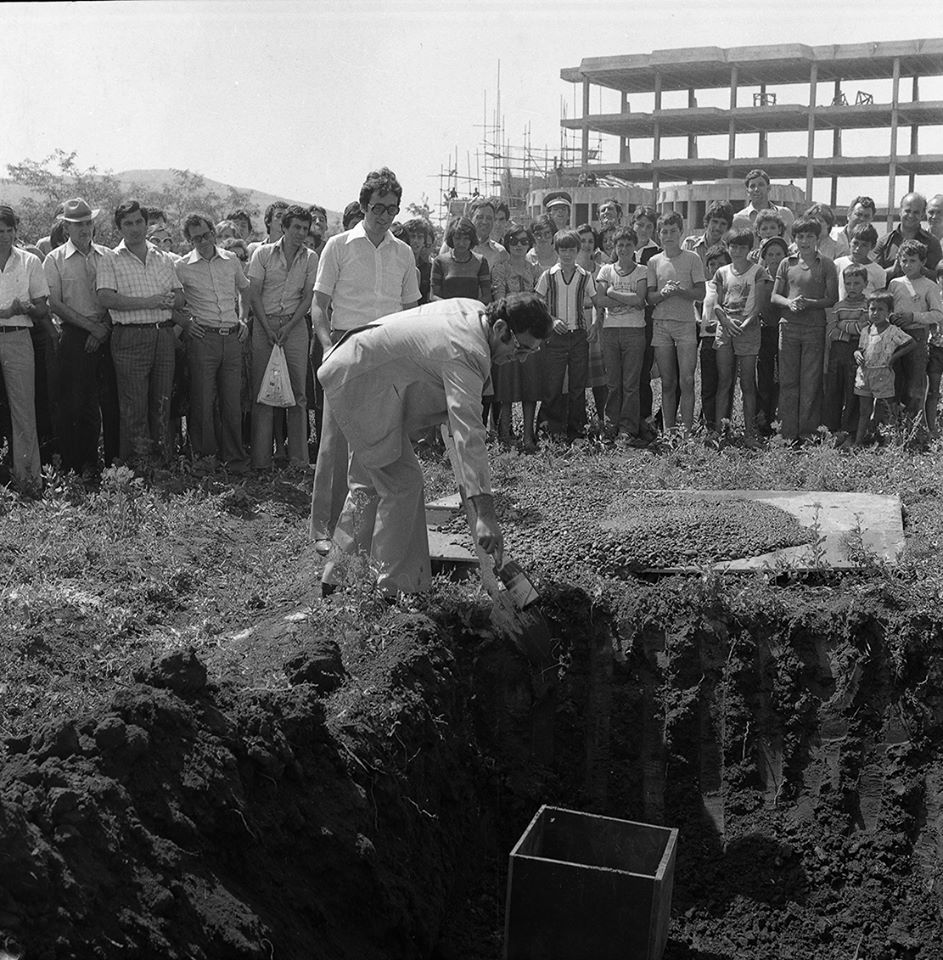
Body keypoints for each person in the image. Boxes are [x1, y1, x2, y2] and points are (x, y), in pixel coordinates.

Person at [318, 293, 552, 598]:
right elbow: (469, 435)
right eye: (520, 348)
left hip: (355, 367)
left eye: (530, 353)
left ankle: (339, 576)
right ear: (499, 328)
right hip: (362, 381)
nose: (520, 359)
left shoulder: (475, 311)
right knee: (403, 483)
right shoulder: (467, 351)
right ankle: (396, 591)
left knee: (369, 482)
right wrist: (486, 516)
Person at [310, 167, 420, 554]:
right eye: (378, 208)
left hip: (388, 347)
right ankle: (324, 529)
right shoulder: (338, 246)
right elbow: (319, 307)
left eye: (392, 209)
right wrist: (328, 347)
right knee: (336, 440)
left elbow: (411, 310)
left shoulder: (404, 253)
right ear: (363, 205)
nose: (385, 216)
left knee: (384, 439)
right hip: (345, 345)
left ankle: (369, 527)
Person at [97, 200, 184, 466]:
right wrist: (150, 301)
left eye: (138, 222)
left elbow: (179, 295)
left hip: (163, 335)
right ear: (119, 228)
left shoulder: (162, 257)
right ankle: (137, 467)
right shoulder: (110, 258)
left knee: (161, 402)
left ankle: (160, 464)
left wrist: (171, 301)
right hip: (130, 336)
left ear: (147, 223)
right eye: (128, 223)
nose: (134, 228)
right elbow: (106, 298)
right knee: (134, 405)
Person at [43, 198, 118, 476]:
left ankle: (111, 465)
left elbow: (115, 295)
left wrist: (103, 329)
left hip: (107, 330)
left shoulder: (108, 255)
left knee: (110, 402)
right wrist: (91, 328)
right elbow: (54, 303)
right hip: (74, 335)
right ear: (66, 228)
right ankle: (78, 464)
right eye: (78, 224)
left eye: (88, 222)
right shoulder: (55, 259)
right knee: (76, 403)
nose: (84, 228)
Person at [174, 213, 250, 473]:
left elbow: (245, 290)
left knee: (232, 400)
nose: (203, 241)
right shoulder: (181, 266)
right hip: (202, 338)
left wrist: (243, 319)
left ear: (213, 233)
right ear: (188, 240)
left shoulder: (230, 260)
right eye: (196, 238)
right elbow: (170, 301)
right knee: (203, 400)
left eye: (207, 235)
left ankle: (235, 458)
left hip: (231, 337)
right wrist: (185, 323)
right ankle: (206, 459)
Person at [246, 204, 318, 470]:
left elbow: (308, 297)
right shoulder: (262, 254)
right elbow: (254, 294)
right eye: (296, 227)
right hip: (264, 326)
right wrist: (267, 328)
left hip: (295, 326)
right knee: (263, 392)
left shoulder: (310, 258)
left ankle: (298, 460)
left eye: (305, 228)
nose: (300, 232)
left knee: (298, 393)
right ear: (284, 228)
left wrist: (288, 328)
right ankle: (261, 460)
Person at [770, 216, 839, 443]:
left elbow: (831, 299)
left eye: (810, 236)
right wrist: (789, 303)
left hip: (814, 329)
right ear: (794, 238)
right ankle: (787, 434)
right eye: (800, 236)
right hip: (788, 328)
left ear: (817, 238)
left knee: (810, 382)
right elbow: (775, 296)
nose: (805, 241)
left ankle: (807, 434)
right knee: (788, 381)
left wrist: (808, 302)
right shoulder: (786, 263)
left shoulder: (826, 264)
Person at [702, 228, 769, 447]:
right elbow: (717, 303)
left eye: (742, 247)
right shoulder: (721, 272)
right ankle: (722, 433)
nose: (738, 251)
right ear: (728, 247)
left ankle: (749, 432)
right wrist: (726, 322)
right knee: (724, 382)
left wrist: (745, 324)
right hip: (725, 328)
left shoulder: (758, 271)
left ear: (750, 249)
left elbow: (758, 305)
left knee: (748, 382)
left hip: (748, 330)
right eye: (734, 246)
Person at [0, 205, 49, 492]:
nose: (4, 237)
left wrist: (30, 308)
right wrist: (7, 310)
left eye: (9, 231)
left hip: (19, 337)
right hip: (8, 323)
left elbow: (43, 306)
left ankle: (29, 481)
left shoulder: (30, 261)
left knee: (23, 410)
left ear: (16, 231)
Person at [646, 211, 706, 433]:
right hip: (661, 325)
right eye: (664, 231)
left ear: (681, 232)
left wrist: (681, 291)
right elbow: (650, 297)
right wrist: (664, 293)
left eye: (673, 231)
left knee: (687, 380)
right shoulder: (654, 261)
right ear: (659, 234)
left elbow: (701, 292)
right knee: (668, 382)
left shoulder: (692, 258)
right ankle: (669, 431)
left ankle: (688, 431)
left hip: (686, 324)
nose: (668, 235)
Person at [535, 230, 596, 440]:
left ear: (578, 250)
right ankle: (549, 430)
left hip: (578, 336)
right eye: (563, 249)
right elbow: (537, 303)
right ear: (557, 250)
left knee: (578, 386)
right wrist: (551, 320)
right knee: (552, 385)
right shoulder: (548, 275)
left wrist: (596, 324)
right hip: (556, 338)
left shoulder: (585, 276)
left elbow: (598, 302)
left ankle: (577, 430)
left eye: (571, 249)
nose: (567, 254)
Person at [594, 225, 648, 444]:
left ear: (635, 246)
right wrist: (628, 297)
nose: (624, 249)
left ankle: (627, 428)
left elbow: (640, 300)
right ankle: (610, 425)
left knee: (631, 383)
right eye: (620, 245)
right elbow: (599, 300)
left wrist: (613, 292)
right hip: (610, 331)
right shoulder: (606, 270)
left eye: (628, 244)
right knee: (613, 382)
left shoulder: (642, 271)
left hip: (634, 332)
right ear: (614, 247)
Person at [491, 224, 543, 449]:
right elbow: (501, 301)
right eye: (514, 241)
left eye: (523, 241)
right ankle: (504, 435)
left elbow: (540, 301)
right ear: (507, 243)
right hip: (509, 332)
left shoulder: (536, 269)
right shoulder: (500, 268)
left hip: (530, 332)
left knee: (530, 386)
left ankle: (528, 435)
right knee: (506, 386)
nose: (519, 245)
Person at [887, 239, 943, 431]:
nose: (907, 265)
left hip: (917, 336)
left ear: (923, 262)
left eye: (912, 260)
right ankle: (893, 428)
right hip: (896, 336)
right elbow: (888, 308)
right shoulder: (895, 284)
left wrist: (914, 316)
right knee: (895, 380)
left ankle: (913, 429)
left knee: (915, 383)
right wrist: (892, 317)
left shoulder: (929, 285)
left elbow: (938, 314)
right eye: (904, 260)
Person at [852, 292, 916, 446]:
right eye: (872, 309)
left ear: (889, 312)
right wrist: (856, 354)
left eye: (881, 309)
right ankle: (858, 442)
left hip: (883, 374)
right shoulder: (866, 331)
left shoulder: (893, 330)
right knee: (864, 411)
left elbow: (912, 343)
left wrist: (893, 358)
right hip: (864, 374)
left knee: (889, 410)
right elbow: (861, 349)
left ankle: (891, 444)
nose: (876, 313)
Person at [824, 264, 870, 441]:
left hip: (857, 352)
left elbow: (864, 328)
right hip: (837, 353)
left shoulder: (867, 306)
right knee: (833, 390)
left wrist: (842, 326)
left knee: (854, 391)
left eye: (856, 283)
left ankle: (850, 430)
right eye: (848, 283)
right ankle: (830, 429)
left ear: (865, 283)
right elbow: (831, 332)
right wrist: (849, 332)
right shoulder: (838, 306)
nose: (852, 287)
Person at [755, 236, 788, 434]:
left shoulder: (789, 278)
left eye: (778, 254)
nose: (774, 258)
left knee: (782, 380)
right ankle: (762, 419)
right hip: (763, 334)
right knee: (764, 379)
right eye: (770, 254)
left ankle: (780, 419)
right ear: (764, 257)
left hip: (785, 333)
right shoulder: (760, 278)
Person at [698, 243, 732, 433]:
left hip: (726, 338)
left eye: (721, 263)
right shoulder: (704, 287)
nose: (716, 267)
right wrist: (699, 322)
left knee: (725, 383)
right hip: (707, 339)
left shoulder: (731, 286)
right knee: (708, 383)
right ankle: (709, 423)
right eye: (712, 264)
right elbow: (697, 309)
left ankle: (724, 424)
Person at [576, 223, 607, 427]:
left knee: (600, 376)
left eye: (590, 241)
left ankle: (603, 418)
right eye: (582, 241)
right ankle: (579, 419)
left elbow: (600, 300)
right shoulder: (571, 268)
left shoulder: (602, 270)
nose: (586, 245)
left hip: (598, 322)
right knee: (577, 375)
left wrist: (596, 322)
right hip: (576, 321)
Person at [875, 193, 943, 277]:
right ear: (900, 212)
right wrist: (893, 270)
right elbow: (872, 277)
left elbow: (939, 277)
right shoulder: (884, 242)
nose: (911, 215)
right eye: (907, 211)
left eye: (916, 212)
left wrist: (920, 270)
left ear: (922, 215)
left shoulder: (933, 243)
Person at [431, 217, 490, 302]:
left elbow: (487, 296)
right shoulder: (439, 261)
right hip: (447, 311)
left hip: (471, 312)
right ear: (451, 238)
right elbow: (433, 296)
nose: (461, 243)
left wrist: (469, 307)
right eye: (457, 238)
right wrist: (453, 306)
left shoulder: (480, 261)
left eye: (466, 238)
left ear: (471, 239)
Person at [731, 168, 795, 235]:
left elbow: (795, 242)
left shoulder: (785, 214)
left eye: (761, 185)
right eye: (752, 186)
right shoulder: (738, 220)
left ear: (768, 188)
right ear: (747, 191)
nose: (756, 189)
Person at [833, 224, 885, 300]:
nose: (858, 248)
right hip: (842, 310)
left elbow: (880, 297)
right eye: (855, 243)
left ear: (872, 247)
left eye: (864, 245)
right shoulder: (838, 264)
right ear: (850, 241)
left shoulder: (878, 271)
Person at [467, 197, 509, 271]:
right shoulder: (455, 244)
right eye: (480, 217)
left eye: (489, 218)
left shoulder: (501, 253)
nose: (484, 222)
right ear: (471, 219)